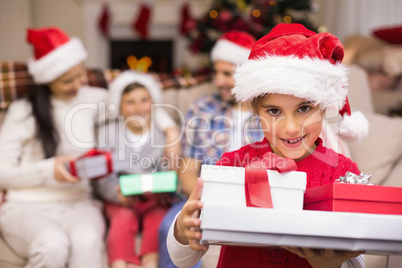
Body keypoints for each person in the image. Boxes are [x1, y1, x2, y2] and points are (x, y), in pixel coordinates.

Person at [167, 23, 369, 268]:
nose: (291, 127)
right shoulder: (232, 165)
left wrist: (331, 265)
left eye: (304, 109)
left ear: (323, 107)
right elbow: (184, 258)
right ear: (255, 111)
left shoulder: (342, 173)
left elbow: (358, 258)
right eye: (274, 111)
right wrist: (181, 228)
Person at [0, 27, 107, 268]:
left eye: (81, 75)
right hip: (26, 206)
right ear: (47, 80)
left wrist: (169, 128)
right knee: (52, 244)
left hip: (79, 203)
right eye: (68, 80)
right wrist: (49, 170)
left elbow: (140, 101)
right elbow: (2, 173)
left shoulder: (93, 99)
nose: (78, 84)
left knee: (87, 242)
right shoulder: (23, 111)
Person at [158, 30, 265, 268]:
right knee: (170, 227)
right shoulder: (202, 108)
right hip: (203, 198)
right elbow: (187, 169)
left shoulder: (269, 113)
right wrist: (204, 202)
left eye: (227, 74)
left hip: (255, 201)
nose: (218, 81)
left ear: (247, 74)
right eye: (216, 72)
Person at [93, 70, 181, 268]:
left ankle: (150, 262)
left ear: (152, 104)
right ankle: (120, 263)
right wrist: (116, 194)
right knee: (123, 220)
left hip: (153, 198)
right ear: (121, 107)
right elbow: (102, 176)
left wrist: (165, 189)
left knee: (157, 220)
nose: (138, 107)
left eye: (144, 100)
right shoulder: (108, 132)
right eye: (130, 102)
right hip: (121, 197)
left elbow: (169, 172)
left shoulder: (162, 134)